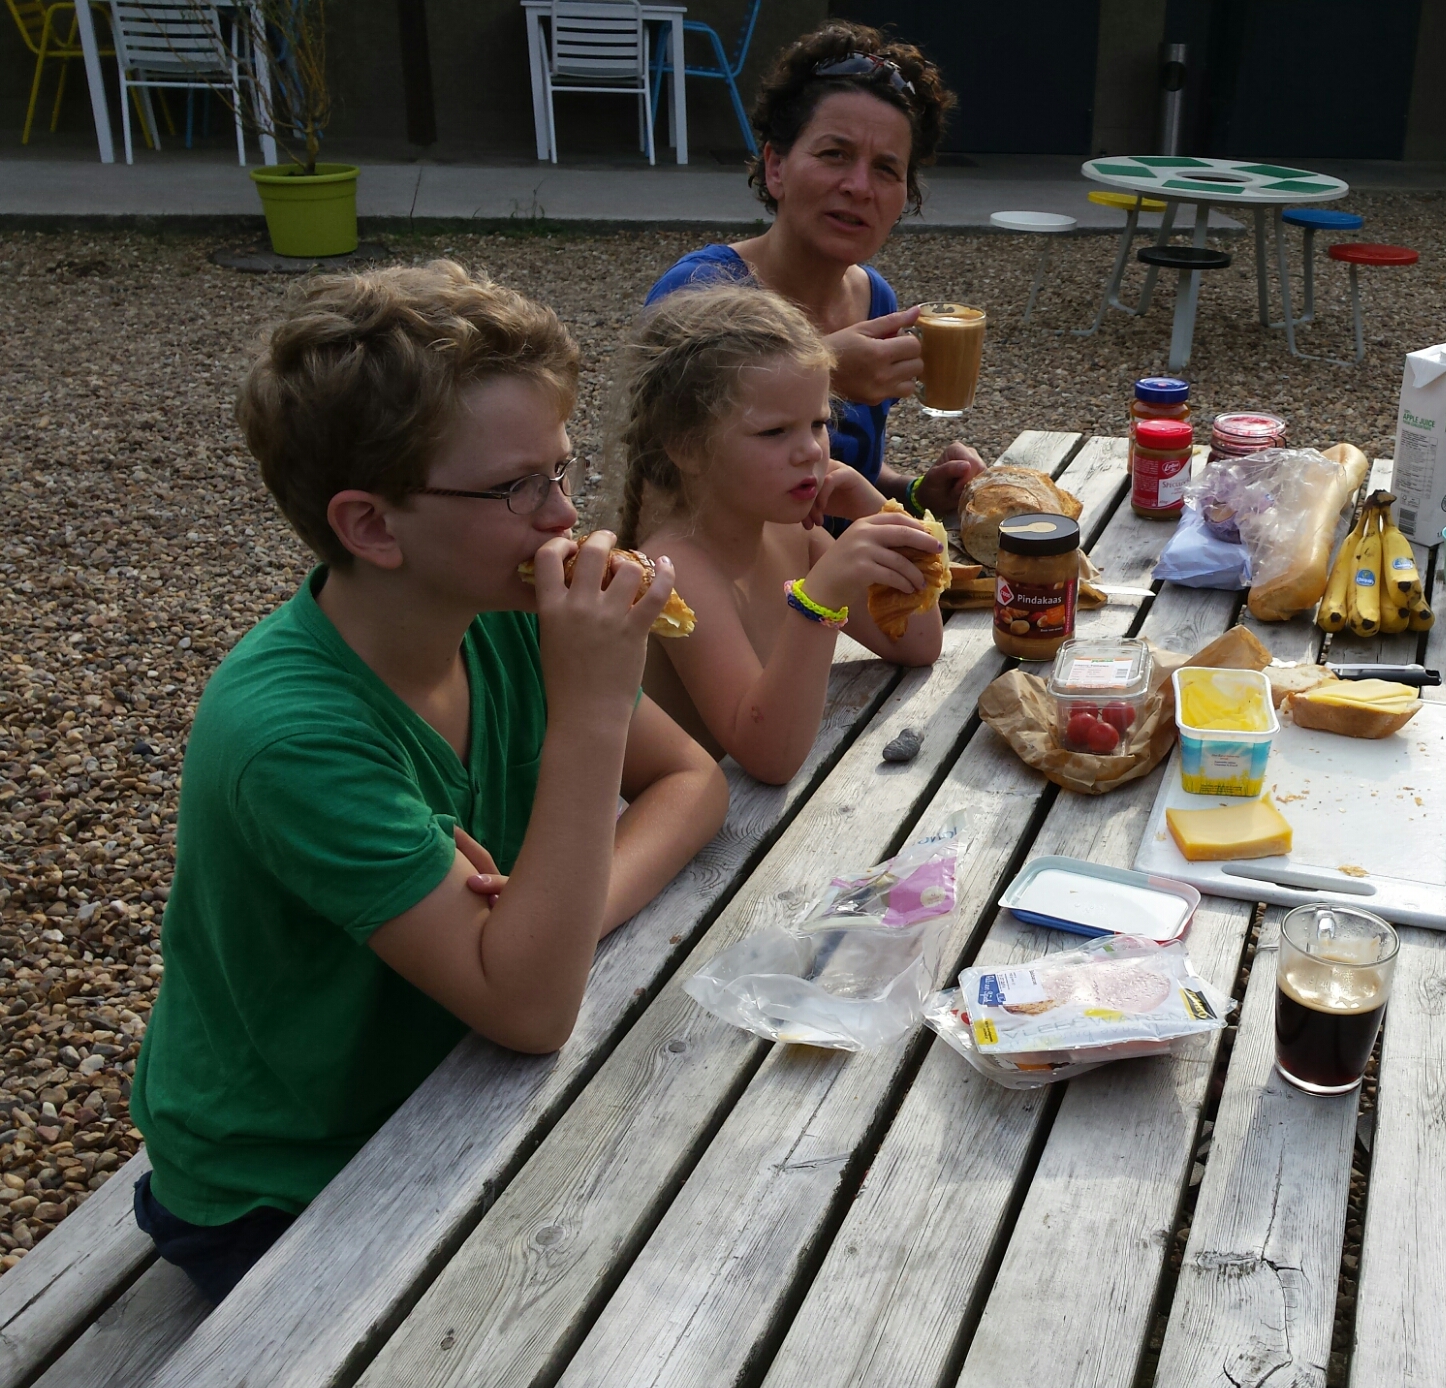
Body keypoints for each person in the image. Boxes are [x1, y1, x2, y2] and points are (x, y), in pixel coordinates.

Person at [130, 262, 728, 1301]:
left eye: (561, 467)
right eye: (516, 486)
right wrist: (591, 712)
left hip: (458, 1074)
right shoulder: (293, 734)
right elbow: (532, 1010)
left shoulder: (501, 616)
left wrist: (551, 913)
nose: (564, 514)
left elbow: (691, 781)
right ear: (371, 526)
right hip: (288, 1180)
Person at [644, 21, 984, 527]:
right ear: (775, 168)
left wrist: (916, 493)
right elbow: (656, 492)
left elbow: (845, 477)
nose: (859, 186)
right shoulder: (700, 292)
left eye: (886, 169)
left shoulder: (874, 298)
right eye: (834, 154)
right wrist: (823, 370)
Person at [616, 283, 945, 785]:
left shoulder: (793, 533)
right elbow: (770, 757)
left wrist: (876, 509)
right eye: (774, 432)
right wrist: (819, 600)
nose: (810, 450)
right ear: (686, 448)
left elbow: (916, 643)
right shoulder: (673, 571)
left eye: (817, 423)